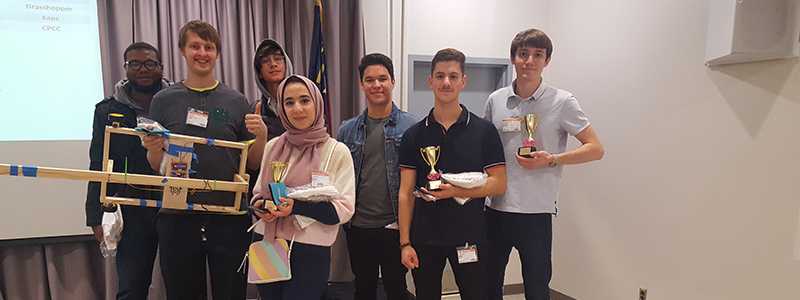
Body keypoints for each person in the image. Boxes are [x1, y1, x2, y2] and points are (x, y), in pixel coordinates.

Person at [141, 20, 268, 300]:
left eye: (209, 47)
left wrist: (262, 136)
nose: (202, 53)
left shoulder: (236, 101)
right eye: (195, 46)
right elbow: (156, 163)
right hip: (178, 217)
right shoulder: (163, 100)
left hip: (229, 218)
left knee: (232, 293)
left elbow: (254, 163)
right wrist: (153, 148)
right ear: (182, 51)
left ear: (217, 53)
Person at [482, 28, 604, 300]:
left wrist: (552, 159)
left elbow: (595, 148)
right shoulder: (496, 100)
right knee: (488, 286)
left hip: (536, 214)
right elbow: (485, 149)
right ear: (512, 58)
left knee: (537, 290)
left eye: (538, 55)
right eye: (523, 54)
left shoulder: (563, 102)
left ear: (547, 61)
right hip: (495, 209)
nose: (529, 61)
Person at [397, 48, 507, 300]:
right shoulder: (413, 135)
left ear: (463, 81)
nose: (446, 82)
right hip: (424, 238)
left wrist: (456, 191)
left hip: (470, 236)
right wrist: (405, 243)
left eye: (453, 76)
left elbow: (499, 184)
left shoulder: (484, 131)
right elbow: (405, 192)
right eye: (440, 76)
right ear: (431, 81)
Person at [251, 74, 356, 299]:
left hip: (310, 250)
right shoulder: (272, 146)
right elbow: (258, 194)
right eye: (289, 102)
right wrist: (262, 208)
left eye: (304, 100)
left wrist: (295, 207)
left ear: (316, 103)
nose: (297, 108)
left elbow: (343, 210)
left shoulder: (337, 151)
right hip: (267, 242)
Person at [85, 42, 171, 300]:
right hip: (131, 210)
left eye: (150, 64)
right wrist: (95, 213)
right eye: (135, 64)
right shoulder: (107, 110)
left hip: (175, 208)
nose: (143, 69)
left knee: (183, 286)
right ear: (125, 68)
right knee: (132, 289)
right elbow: (98, 162)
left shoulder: (177, 103)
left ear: (161, 67)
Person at [337, 53, 419, 300]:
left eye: (383, 78)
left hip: (395, 227)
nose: (377, 85)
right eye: (370, 80)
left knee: (396, 289)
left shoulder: (412, 127)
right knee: (363, 287)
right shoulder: (347, 129)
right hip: (358, 226)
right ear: (361, 84)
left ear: (393, 82)